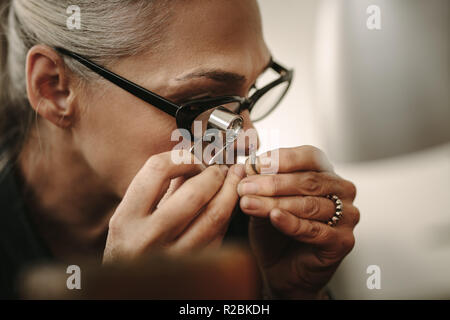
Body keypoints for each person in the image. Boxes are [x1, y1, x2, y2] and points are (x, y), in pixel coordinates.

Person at [0, 0, 359, 299]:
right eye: (203, 100)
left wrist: (285, 295)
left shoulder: (257, 233)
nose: (250, 141)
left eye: (254, 89)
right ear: (54, 89)